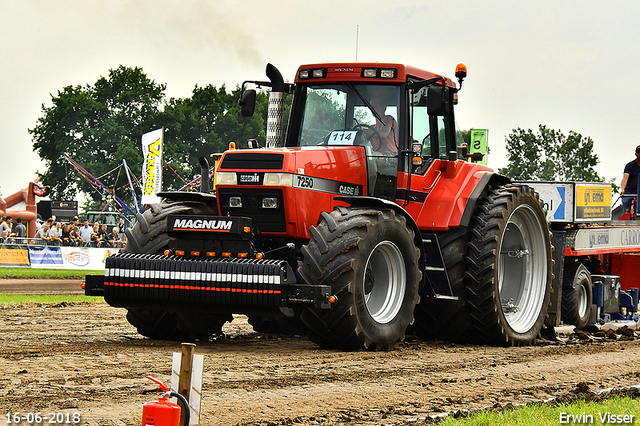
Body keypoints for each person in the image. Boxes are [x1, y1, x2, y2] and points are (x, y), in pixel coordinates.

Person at [621, 145, 640, 213]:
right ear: (636, 154)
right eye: (638, 152)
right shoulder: (630, 166)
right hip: (629, 191)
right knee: (626, 202)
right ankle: (625, 220)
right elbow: (625, 178)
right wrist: (623, 189)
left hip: (639, 192)